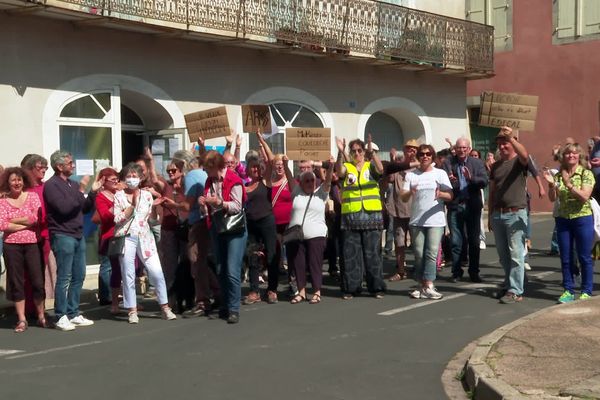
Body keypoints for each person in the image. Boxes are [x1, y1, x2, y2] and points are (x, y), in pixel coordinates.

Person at [113, 162, 176, 324]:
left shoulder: (147, 195)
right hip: (127, 237)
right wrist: (132, 206)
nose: (132, 179)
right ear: (124, 179)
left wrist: (155, 206)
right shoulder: (119, 196)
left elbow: (150, 218)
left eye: (135, 176)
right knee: (128, 274)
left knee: (156, 271)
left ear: (140, 178)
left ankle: (164, 306)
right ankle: (132, 310)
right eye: (129, 176)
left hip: (145, 237)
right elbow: (117, 219)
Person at [44, 150, 99, 331]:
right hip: (62, 234)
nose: (73, 165)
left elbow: (83, 208)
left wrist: (92, 193)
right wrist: (82, 190)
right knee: (64, 277)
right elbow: (65, 208)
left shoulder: (72, 184)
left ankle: (74, 312)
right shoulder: (52, 185)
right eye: (69, 163)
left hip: (77, 234)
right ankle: (61, 315)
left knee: (79, 275)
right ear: (59, 166)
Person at [335, 134, 386, 299]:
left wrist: (373, 153)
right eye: (353, 151)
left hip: (371, 216)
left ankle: (376, 288)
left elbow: (381, 170)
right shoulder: (347, 166)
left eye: (359, 151)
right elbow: (338, 170)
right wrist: (339, 153)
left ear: (364, 152)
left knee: (373, 255)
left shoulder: (370, 166)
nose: (357, 154)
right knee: (351, 255)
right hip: (351, 217)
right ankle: (351, 288)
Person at [543, 143, 595, 302]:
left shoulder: (586, 174)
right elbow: (553, 198)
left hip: (582, 218)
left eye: (574, 153)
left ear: (579, 156)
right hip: (563, 219)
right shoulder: (558, 175)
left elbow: (584, 196)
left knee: (584, 256)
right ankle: (568, 290)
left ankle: (586, 290)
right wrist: (551, 184)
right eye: (567, 154)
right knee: (565, 257)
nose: (571, 156)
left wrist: (568, 183)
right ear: (563, 157)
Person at [200, 151, 247, 324]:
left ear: (215, 167)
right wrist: (203, 204)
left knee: (232, 269)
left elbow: (237, 206)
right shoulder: (209, 181)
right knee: (220, 268)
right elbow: (208, 205)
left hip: (234, 226)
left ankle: (234, 309)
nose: (205, 172)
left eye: (207, 168)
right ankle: (226, 304)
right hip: (217, 225)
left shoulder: (233, 180)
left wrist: (220, 203)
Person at [401, 145, 453, 299]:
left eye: (428, 154)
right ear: (417, 157)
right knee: (418, 254)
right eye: (422, 154)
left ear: (432, 156)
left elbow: (450, 195)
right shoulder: (411, 175)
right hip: (417, 220)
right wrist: (411, 191)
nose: (425, 157)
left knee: (431, 253)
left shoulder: (440, 174)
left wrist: (441, 193)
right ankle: (421, 284)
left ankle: (429, 284)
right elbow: (403, 197)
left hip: (435, 220)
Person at [0, 167, 46, 332]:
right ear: (8, 182)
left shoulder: (32, 196)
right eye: (13, 180)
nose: (17, 183)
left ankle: (41, 316)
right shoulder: (2, 202)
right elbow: (2, 225)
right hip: (11, 246)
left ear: (24, 181)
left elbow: (34, 219)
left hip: (32, 244)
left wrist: (13, 219)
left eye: (19, 180)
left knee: (37, 282)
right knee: (17, 282)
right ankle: (22, 319)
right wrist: (24, 222)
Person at [488, 127, 530, 304]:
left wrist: (511, 137)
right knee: (503, 255)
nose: (502, 146)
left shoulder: (519, 162)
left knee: (516, 254)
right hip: (498, 214)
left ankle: (515, 290)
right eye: (500, 144)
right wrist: (490, 214)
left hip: (515, 213)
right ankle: (510, 283)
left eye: (504, 143)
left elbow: (525, 155)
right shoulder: (496, 166)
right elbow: (492, 192)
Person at [177, 148, 220, 317]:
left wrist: (172, 204)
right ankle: (217, 292)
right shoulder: (203, 175)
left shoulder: (191, 176)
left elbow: (187, 206)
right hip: (206, 221)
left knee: (196, 261)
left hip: (198, 222)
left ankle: (203, 301)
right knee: (203, 261)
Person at [285, 155, 334, 304]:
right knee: (298, 264)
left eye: (312, 180)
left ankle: (317, 291)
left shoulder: (321, 192)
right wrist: (287, 165)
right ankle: (301, 292)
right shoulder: (296, 191)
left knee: (315, 263)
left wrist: (330, 166)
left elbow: (329, 179)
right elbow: (288, 176)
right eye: (306, 180)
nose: (310, 183)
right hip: (297, 235)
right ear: (301, 182)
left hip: (316, 235)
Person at [442, 137, 488, 283]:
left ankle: (474, 272)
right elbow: (443, 181)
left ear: (468, 149)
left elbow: (484, 182)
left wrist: (471, 178)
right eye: (458, 147)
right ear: (455, 149)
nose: (461, 150)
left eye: (464, 148)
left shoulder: (477, 163)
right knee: (456, 240)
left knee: (474, 241)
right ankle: (456, 272)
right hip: (455, 205)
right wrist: (450, 180)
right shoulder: (448, 162)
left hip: (472, 206)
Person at [242, 132, 280, 304]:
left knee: (271, 254)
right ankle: (254, 291)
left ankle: (272, 290)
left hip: (267, 222)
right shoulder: (245, 186)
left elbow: (271, 162)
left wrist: (262, 141)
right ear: (248, 169)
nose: (255, 169)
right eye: (252, 167)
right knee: (253, 256)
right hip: (251, 224)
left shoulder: (266, 181)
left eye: (257, 166)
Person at [157, 159, 193, 313]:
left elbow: (190, 205)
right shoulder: (166, 186)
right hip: (169, 229)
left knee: (187, 265)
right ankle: (171, 301)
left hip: (186, 228)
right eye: (169, 171)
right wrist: (149, 159)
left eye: (174, 170)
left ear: (181, 171)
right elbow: (153, 178)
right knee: (170, 267)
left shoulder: (188, 185)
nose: (171, 173)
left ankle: (189, 299)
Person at [94, 167, 122, 313]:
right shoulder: (101, 196)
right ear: (103, 181)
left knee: (126, 268)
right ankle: (109, 298)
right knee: (110, 266)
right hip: (110, 234)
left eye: (117, 179)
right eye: (112, 180)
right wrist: (118, 202)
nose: (116, 182)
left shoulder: (120, 193)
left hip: (124, 232)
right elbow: (104, 216)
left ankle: (127, 300)